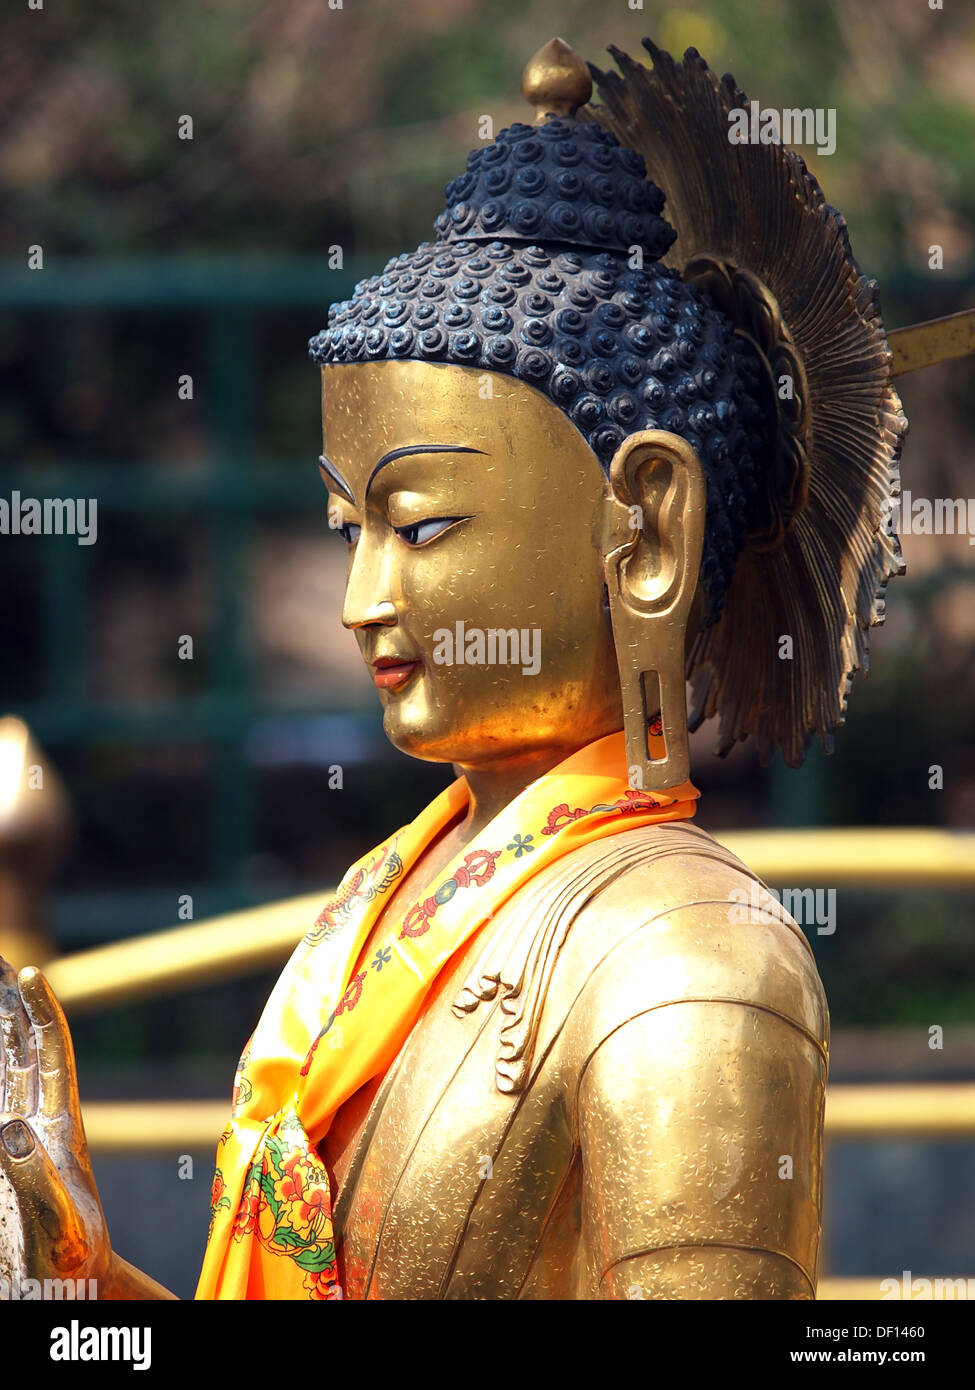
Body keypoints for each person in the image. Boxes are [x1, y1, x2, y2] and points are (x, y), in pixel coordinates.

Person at [0, 36, 915, 1300]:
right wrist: (83, 1285)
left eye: (421, 526)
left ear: (645, 527)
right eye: (348, 530)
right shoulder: (395, 895)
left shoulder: (693, 963)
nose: (362, 602)